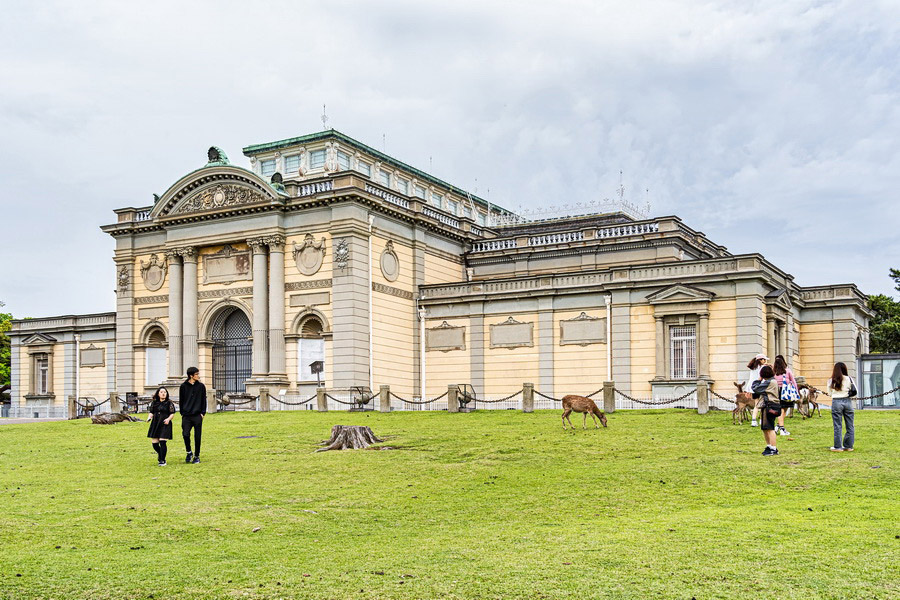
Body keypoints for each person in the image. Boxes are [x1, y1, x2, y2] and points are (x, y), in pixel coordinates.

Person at [751, 365, 782, 456]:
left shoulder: (769, 382)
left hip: (770, 406)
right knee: (765, 427)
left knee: (770, 428)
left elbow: (756, 388)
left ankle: (773, 448)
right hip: (769, 405)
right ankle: (769, 446)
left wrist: (758, 379)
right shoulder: (773, 381)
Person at [179, 367, 207, 464]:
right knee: (185, 434)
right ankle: (189, 452)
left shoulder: (201, 386)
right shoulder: (183, 386)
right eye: (197, 374)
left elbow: (204, 400)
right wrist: (182, 412)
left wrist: (202, 413)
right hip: (186, 416)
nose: (198, 376)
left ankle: (197, 456)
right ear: (191, 375)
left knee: (197, 436)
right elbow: (181, 400)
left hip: (197, 415)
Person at [827, 362, 855, 452]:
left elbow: (829, 393)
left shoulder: (831, 380)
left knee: (837, 425)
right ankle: (848, 446)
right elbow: (855, 390)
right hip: (847, 402)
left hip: (836, 402)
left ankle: (838, 447)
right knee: (850, 425)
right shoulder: (849, 379)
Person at [146, 387, 175, 466]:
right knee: (155, 444)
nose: (163, 393)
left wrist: (168, 419)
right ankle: (160, 454)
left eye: (165, 392)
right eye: (161, 392)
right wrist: (149, 418)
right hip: (155, 423)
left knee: (162, 442)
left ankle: (162, 460)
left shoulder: (169, 403)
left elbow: (172, 413)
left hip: (165, 423)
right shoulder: (154, 403)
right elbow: (151, 412)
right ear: (158, 394)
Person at [773, 355, 799, 436]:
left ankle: (777, 426)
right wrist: (796, 391)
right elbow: (793, 381)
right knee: (782, 410)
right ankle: (782, 428)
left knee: (782, 410)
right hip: (787, 392)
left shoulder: (774, 372)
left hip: (777, 391)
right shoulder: (787, 371)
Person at [745, 354, 769, 427]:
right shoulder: (762, 368)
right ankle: (762, 420)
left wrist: (748, 389)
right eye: (764, 359)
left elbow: (751, 379)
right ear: (760, 360)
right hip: (761, 387)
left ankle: (754, 420)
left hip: (753, 387)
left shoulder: (753, 368)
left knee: (756, 405)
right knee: (762, 405)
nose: (765, 361)